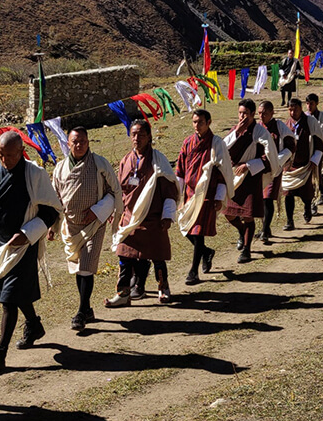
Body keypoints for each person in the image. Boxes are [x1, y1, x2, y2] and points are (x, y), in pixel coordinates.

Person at [0, 131, 61, 373]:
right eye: (1, 154)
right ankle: (34, 324)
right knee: (13, 294)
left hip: (24, 246)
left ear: (20, 152)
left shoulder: (34, 175)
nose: (5, 159)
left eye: (10, 155)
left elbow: (52, 211)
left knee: (9, 300)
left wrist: (28, 233)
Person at [50, 127, 120, 332]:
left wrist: (99, 211)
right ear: (68, 144)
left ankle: (80, 312)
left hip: (94, 224)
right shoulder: (60, 168)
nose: (79, 145)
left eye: (82, 141)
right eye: (75, 142)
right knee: (79, 268)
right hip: (71, 226)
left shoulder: (99, 164)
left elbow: (113, 191)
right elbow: (55, 199)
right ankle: (87, 308)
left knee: (87, 266)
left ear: (88, 142)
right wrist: (53, 226)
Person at [108, 120, 179, 306]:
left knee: (158, 256)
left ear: (149, 137)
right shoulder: (125, 160)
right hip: (130, 217)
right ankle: (124, 293)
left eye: (140, 134)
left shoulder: (158, 160)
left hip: (153, 217)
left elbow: (169, 188)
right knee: (124, 255)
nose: (136, 138)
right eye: (133, 134)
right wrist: (115, 213)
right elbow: (119, 190)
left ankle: (163, 287)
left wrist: (167, 215)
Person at [176, 108, 233, 285]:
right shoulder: (187, 143)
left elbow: (223, 172)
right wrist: (176, 194)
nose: (197, 125)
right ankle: (206, 252)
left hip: (207, 193)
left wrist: (219, 196)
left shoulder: (217, 143)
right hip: (189, 194)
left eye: (200, 122)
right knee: (185, 227)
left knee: (198, 231)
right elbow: (180, 170)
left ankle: (193, 271)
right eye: (194, 122)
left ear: (208, 123)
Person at [223, 98, 278, 263]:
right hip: (235, 177)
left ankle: (246, 250)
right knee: (228, 213)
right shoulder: (235, 129)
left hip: (251, 177)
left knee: (248, 215)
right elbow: (222, 150)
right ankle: (242, 231)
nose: (242, 117)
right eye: (240, 113)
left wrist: (249, 164)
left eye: (245, 114)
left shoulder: (261, 132)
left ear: (253, 114)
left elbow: (269, 157)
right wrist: (236, 134)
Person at [281, 98, 323, 230]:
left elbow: (320, 143)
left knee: (306, 195)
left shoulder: (311, 122)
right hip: (290, 168)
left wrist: (314, 161)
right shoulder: (286, 124)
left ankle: (307, 207)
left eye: (295, 109)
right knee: (288, 194)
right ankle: (289, 221)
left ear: (301, 109)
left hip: (306, 165)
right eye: (290, 109)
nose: (293, 112)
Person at [256, 100, 294, 244]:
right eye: (259, 113)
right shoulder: (257, 127)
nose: (262, 116)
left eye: (265, 113)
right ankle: (265, 227)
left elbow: (291, 145)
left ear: (272, 113)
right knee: (260, 199)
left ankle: (265, 230)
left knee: (268, 199)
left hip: (274, 169)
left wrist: (278, 161)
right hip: (258, 169)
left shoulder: (279, 126)